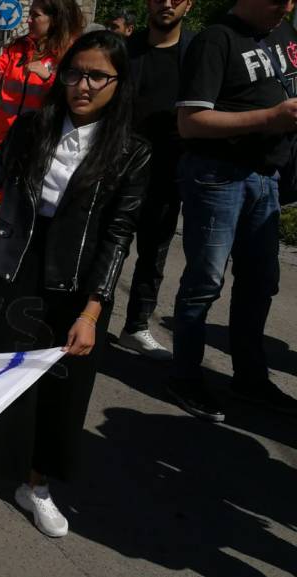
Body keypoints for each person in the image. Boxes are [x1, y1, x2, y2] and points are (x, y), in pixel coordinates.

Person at [0, 30, 148, 557]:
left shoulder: (131, 151)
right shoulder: (32, 128)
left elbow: (117, 236)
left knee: (63, 396)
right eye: (74, 72)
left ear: (118, 82)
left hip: (80, 291)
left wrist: (93, 310)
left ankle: (35, 485)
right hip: (17, 271)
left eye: (96, 76)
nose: (82, 86)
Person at [172, 0, 297, 421]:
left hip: (267, 177)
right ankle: (185, 377)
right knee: (205, 281)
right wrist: (270, 118)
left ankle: (249, 377)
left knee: (260, 282)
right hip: (218, 175)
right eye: (279, 0)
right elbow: (190, 123)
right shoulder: (216, 40)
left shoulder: (283, 32)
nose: (287, 7)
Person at [0, 0, 83, 299]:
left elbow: (80, 97)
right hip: (1, 144)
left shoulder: (71, 55)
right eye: (29, 16)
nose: (29, 21)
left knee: (23, 214)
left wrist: (51, 78)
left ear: (55, 19)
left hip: (39, 149)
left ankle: (16, 279)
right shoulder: (16, 49)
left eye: (35, 16)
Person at [116, 0, 193, 360]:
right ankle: (86, 316)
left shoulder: (195, 51)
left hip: (167, 171)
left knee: (153, 254)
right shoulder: (125, 50)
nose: (167, 3)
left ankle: (136, 326)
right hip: (117, 167)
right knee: (104, 246)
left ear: (189, 4)